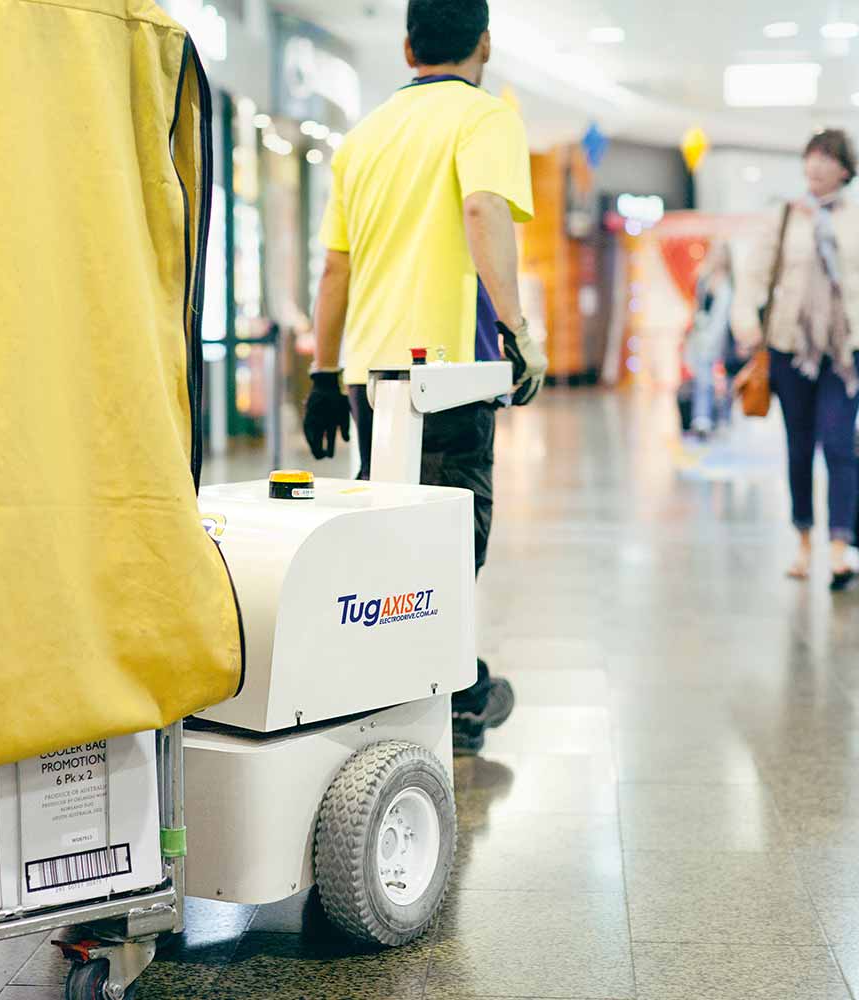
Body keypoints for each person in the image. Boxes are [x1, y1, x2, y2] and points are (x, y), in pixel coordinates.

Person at [300, 0, 545, 755]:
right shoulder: (484, 117)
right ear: (485, 44)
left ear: (408, 48)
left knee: (389, 525)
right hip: (447, 370)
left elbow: (335, 267)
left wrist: (322, 373)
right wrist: (518, 330)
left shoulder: (365, 135)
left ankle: (418, 684)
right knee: (449, 536)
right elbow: (483, 209)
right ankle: (445, 692)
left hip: (370, 373)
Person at [731, 128, 859, 592]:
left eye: (828, 158)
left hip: (847, 349)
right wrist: (746, 325)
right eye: (812, 157)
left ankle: (840, 547)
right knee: (799, 446)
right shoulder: (784, 215)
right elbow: (753, 277)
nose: (817, 166)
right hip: (790, 347)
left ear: (845, 169)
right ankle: (803, 541)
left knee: (839, 444)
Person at [685, 244, 735, 439]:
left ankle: (722, 418)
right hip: (702, 336)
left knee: (723, 381)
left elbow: (723, 316)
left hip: (721, 338)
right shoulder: (704, 278)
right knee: (703, 379)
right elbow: (699, 306)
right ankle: (702, 419)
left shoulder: (728, 283)